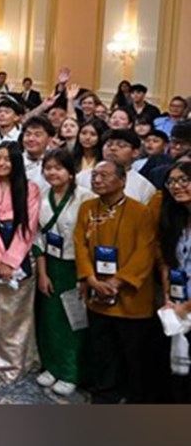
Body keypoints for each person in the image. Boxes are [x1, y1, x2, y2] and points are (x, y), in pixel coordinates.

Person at [75, 160, 157, 403]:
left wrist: (117, 282)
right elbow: (80, 244)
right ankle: (104, 392)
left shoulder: (141, 212)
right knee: (102, 349)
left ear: (122, 181)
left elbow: (146, 251)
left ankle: (133, 397)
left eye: (104, 175)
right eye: (94, 175)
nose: (97, 180)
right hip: (96, 291)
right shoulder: (88, 207)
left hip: (130, 295)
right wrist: (90, 278)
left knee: (132, 353)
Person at [0, 142, 41, 383]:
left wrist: (10, 261)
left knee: (16, 314)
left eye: (7, 159)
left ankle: (14, 362)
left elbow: (28, 227)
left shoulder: (30, 189)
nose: (1, 164)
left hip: (19, 253)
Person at [34, 149, 95, 396]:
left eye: (58, 168)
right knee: (49, 320)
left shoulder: (85, 198)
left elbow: (90, 240)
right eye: (48, 168)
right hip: (50, 264)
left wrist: (85, 276)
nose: (52, 173)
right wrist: (42, 273)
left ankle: (71, 372)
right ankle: (52, 366)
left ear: (70, 172)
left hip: (75, 267)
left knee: (74, 321)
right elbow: (38, 236)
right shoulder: (41, 196)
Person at [158, 161, 191, 402]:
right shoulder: (175, 218)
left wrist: (186, 307)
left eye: (184, 180)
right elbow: (167, 259)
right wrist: (168, 296)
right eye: (172, 181)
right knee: (178, 375)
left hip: (187, 307)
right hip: (178, 305)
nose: (177, 186)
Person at [76, 129, 157, 205]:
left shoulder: (144, 187)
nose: (113, 148)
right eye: (109, 144)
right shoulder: (82, 177)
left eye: (121, 145)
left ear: (135, 152)